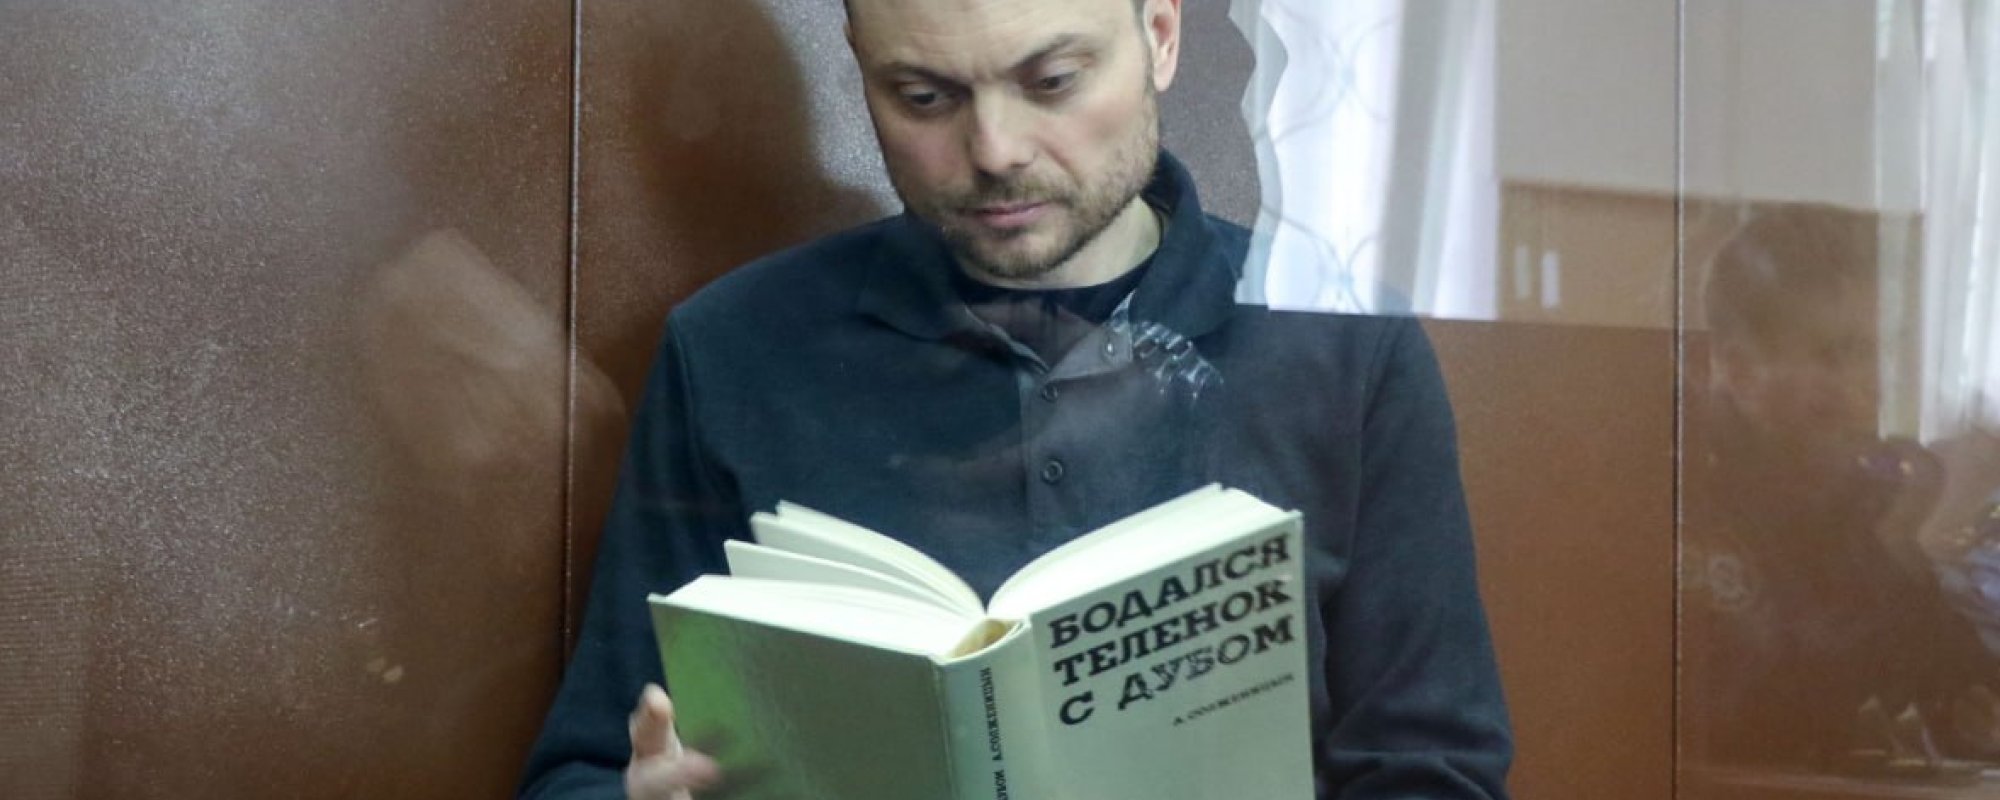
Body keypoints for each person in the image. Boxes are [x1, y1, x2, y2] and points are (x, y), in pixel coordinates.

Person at [518, 0, 1513, 797]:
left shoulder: (1343, 343)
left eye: (1052, 81)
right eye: (923, 96)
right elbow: (583, 766)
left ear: (1160, 35)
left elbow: (1434, 768)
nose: (994, 149)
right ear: (861, 70)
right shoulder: (733, 348)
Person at [1682, 204, 1999, 774]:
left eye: (1876, 353)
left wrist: (1912, 550)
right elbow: (1759, 720)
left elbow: (1958, 692)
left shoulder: (1855, 497)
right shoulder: (1689, 508)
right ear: (1741, 371)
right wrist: (1911, 543)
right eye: (1836, 356)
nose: (1869, 385)